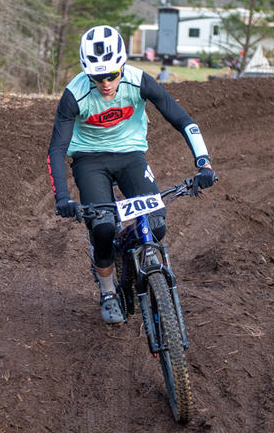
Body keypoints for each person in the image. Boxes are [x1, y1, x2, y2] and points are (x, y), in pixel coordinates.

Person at [47, 25, 218, 325]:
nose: (106, 84)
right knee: (102, 228)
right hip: (89, 158)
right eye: (97, 77)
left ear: (123, 66)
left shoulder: (139, 81)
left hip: (130, 155)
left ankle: (128, 251)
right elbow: (57, 149)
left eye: (112, 75)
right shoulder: (74, 94)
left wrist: (203, 162)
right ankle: (108, 291)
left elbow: (183, 120)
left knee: (156, 225)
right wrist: (62, 197)